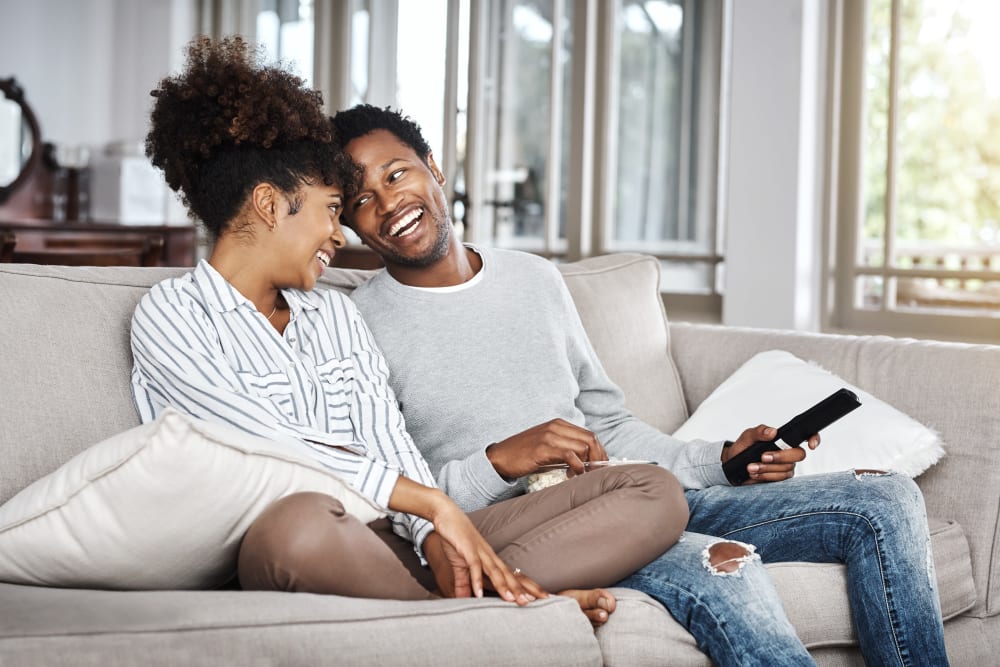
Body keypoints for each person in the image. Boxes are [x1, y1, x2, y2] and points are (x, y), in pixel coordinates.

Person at [331, 103, 950, 666]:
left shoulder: (536, 280)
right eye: (361, 200)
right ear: (352, 224)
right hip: (549, 532)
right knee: (724, 570)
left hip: (636, 491)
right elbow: (389, 493)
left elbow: (610, 426)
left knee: (885, 500)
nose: (388, 204)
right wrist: (501, 461)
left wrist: (721, 460)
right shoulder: (358, 326)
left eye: (396, 174)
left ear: (432, 167)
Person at [131, 36, 688, 623]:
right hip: (306, 543)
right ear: (270, 205)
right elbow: (269, 449)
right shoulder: (172, 315)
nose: (340, 236)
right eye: (331, 209)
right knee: (294, 528)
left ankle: (471, 601)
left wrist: (438, 534)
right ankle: (487, 608)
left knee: (653, 492)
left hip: (398, 538)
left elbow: (390, 445)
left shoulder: (333, 315)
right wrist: (432, 504)